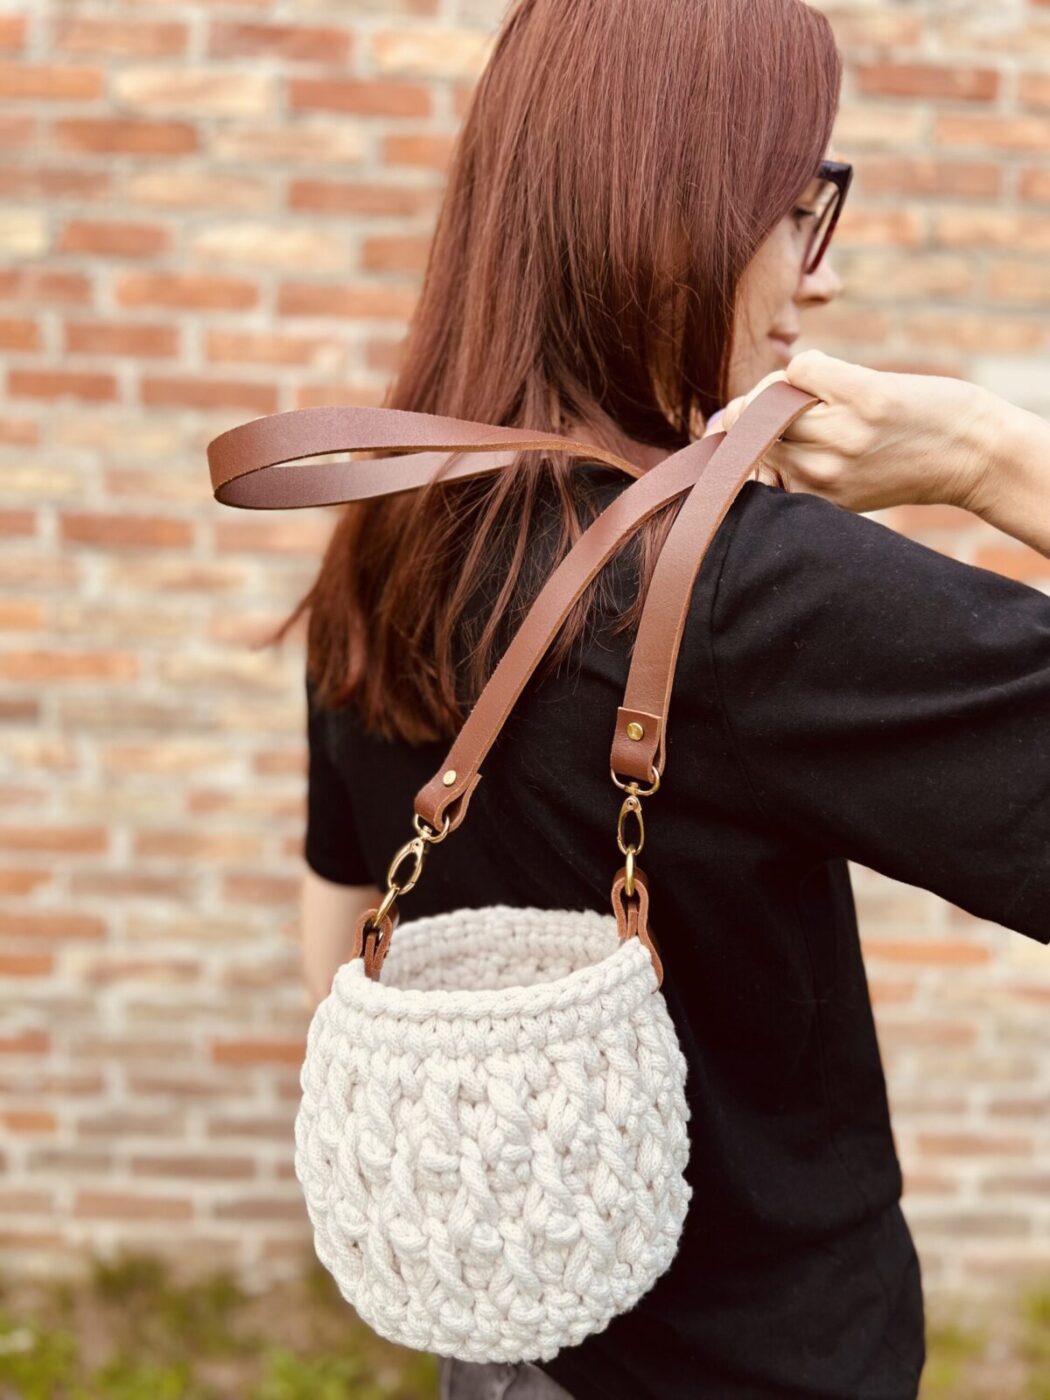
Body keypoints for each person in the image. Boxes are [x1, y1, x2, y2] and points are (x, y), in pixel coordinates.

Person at [282, 0, 1050, 1395]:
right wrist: (996, 461)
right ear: (674, 216)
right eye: (798, 209)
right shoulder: (749, 591)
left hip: (506, 1332)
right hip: (762, 1362)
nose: (817, 276)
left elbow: (341, 897)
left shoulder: (397, 516)